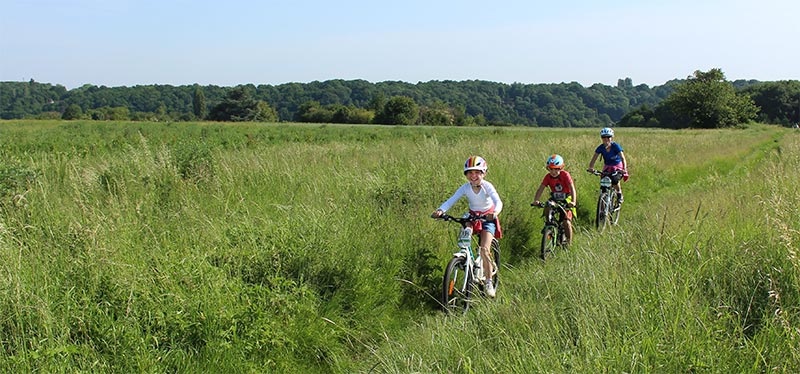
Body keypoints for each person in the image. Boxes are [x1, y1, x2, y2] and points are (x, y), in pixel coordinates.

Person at [432, 156, 503, 298]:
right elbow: (451, 200)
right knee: (464, 236)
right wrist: (441, 210)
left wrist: (495, 213)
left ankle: (489, 282)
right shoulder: (465, 187)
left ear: (484, 173)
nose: (473, 176)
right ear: (466, 175)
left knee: (484, 250)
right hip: (472, 216)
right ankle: (465, 257)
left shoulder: (487, 186)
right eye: (470, 173)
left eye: (477, 172)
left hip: (487, 218)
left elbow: (498, 201)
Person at [532, 154, 577, 245]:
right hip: (555, 199)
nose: (553, 172)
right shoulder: (547, 177)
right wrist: (536, 200)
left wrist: (573, 201)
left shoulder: (565, 175)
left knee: (566, 222)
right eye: (551, 169)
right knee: (548, 205)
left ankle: (569, 243)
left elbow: (572, 188)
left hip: (566, 199)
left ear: (561, 168)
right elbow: (541, 188)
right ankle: (549, 224)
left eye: (556, 169)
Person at [587, 127, 628, 206]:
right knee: (603, 181)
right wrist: (590, 167)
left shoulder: (616, 146)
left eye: (608, 137)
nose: (606, 139)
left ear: (612, 137)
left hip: (617, 165)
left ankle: (619, 194)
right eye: (603, 137)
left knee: (615, 179)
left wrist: (624, 168)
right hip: (607, 166)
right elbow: (594, 158)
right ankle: (602, 204)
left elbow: (623, 158)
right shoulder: (601, 147)